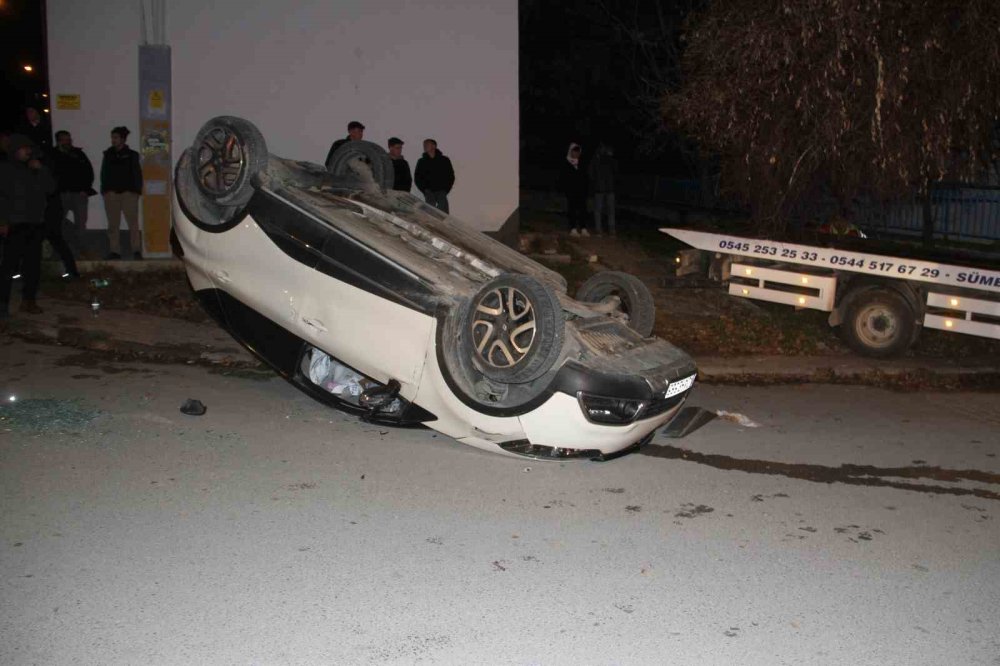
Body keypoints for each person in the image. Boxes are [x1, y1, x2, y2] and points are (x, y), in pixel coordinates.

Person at [0, 134, 55, 321]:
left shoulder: (35, 169)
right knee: (8, 267)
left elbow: (51, 188)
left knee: (33, 266)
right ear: (15, 150)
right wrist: (3, 221)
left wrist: (42, 170)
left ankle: (29, 300)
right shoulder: (6, 169)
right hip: (15, 224)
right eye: (24, 148)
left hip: (35, 223)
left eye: (29, 149)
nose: (28, 152)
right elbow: (2, 197)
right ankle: (3, 306)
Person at [100, 126, 143, 259]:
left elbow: (137, 173)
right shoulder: (108, 154)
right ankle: (115, 251)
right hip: (111, 193)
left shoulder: (132, 155)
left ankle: (136, 250)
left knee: (133, 223)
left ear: (123, 139)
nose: (113, 140)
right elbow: (104, 173)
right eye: (112, 137)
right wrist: (105, 190)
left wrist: (136, 191)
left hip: (128, 193)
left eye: (116, 137)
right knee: (113, 224)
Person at [52, 130, 94, 257]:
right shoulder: (52, 155)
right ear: (59, 141)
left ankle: (82, 250)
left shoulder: (78, 154)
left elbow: (88, 172)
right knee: (57, 222)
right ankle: (59, 250)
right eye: (65, 139)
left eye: (69, 138)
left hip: (78, 194)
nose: (69, 141)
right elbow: (48, 174)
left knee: (81, 224)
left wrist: (85, 189)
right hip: (61, 194)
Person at [414, 139, 455, 213]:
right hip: (429, 191)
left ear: (434, 146)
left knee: (443, 214)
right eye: (424, 145)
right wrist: (425, 190)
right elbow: (417, 178)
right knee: (429, 213)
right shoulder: (421, 161)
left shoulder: (444, 160)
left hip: (442, 191)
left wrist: (445, 189)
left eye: (427, 144)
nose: (424, 146)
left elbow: (450, 176)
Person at [589, 143, 618, 237]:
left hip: (600, 188)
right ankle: (611, 230)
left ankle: (599, 230)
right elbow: (616, 173)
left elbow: (591, 173)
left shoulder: (597, 160)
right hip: (609, 188)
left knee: (598, 210)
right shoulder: (611, 160)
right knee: (610, 210)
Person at [560, 143, 588, 236]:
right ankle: (573, 228)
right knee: (572, 209)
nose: (576, 154)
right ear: (570, 151)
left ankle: (583, 228)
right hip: (571, 191)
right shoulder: (566, 163)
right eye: (574, 151)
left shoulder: (582, 163)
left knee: (582, 209)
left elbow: (585, 176)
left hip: (581, 190)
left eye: (578, 152)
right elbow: (563, 178)